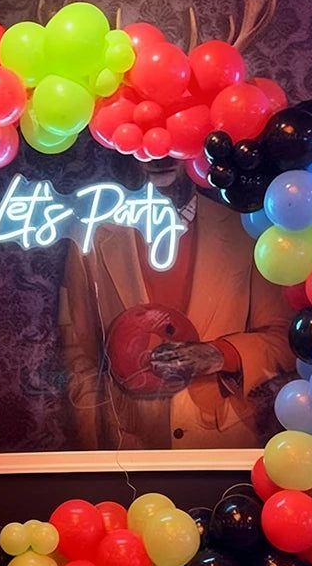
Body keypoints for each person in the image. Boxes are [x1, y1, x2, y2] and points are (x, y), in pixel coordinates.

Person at [58, 158, 296, 451]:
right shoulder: (89, 233)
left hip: (220, 444)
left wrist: (221, 355)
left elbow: (284, 336)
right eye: (149, 143)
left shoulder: (245, 230)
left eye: (174, 144)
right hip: (126, 448)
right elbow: (79, 355)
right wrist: (91, 449)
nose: (161, 157)